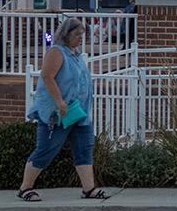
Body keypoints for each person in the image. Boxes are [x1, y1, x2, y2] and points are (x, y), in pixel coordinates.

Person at [16, 17, 109, 201]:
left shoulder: (75, 53)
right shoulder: (57, 52)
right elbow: (47, 77)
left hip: (79, 113)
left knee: (84, 148)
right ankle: (25, 188)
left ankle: (88, 188)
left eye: (82, 35)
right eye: (76, 35)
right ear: (66, 35)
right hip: (58, 113)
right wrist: (59, 101)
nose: (80, 38)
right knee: (47, 148)